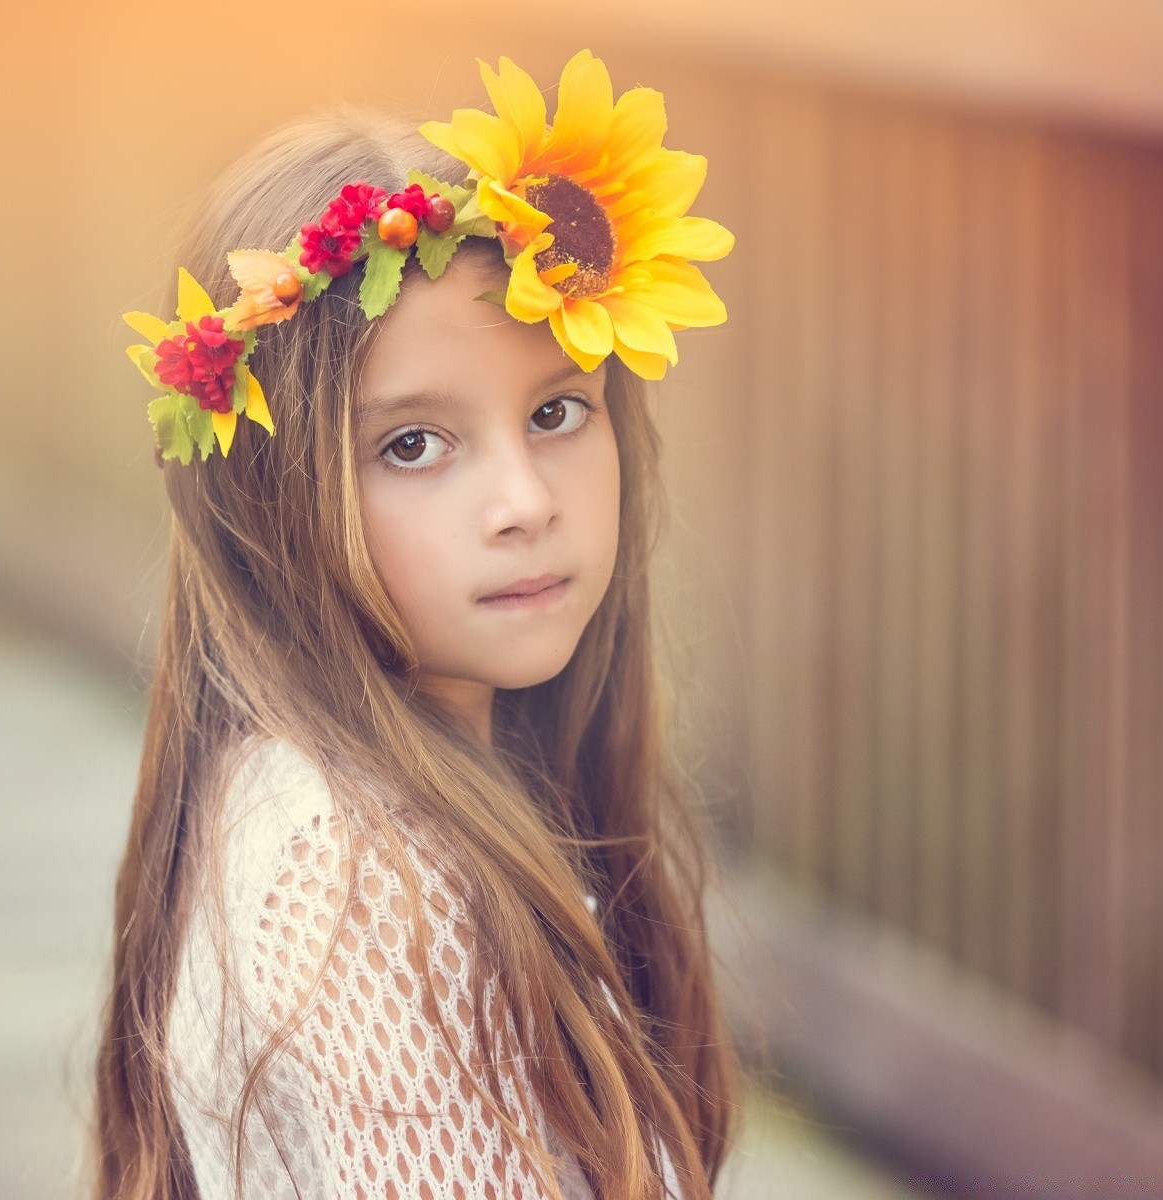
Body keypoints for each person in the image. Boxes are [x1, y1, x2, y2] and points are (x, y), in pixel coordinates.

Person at [94, 50, 741, 1200]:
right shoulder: (362, 886)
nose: (526, 503)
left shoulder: (338, 808)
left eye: (557, 411)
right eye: (412, 444)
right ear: (273, 495)